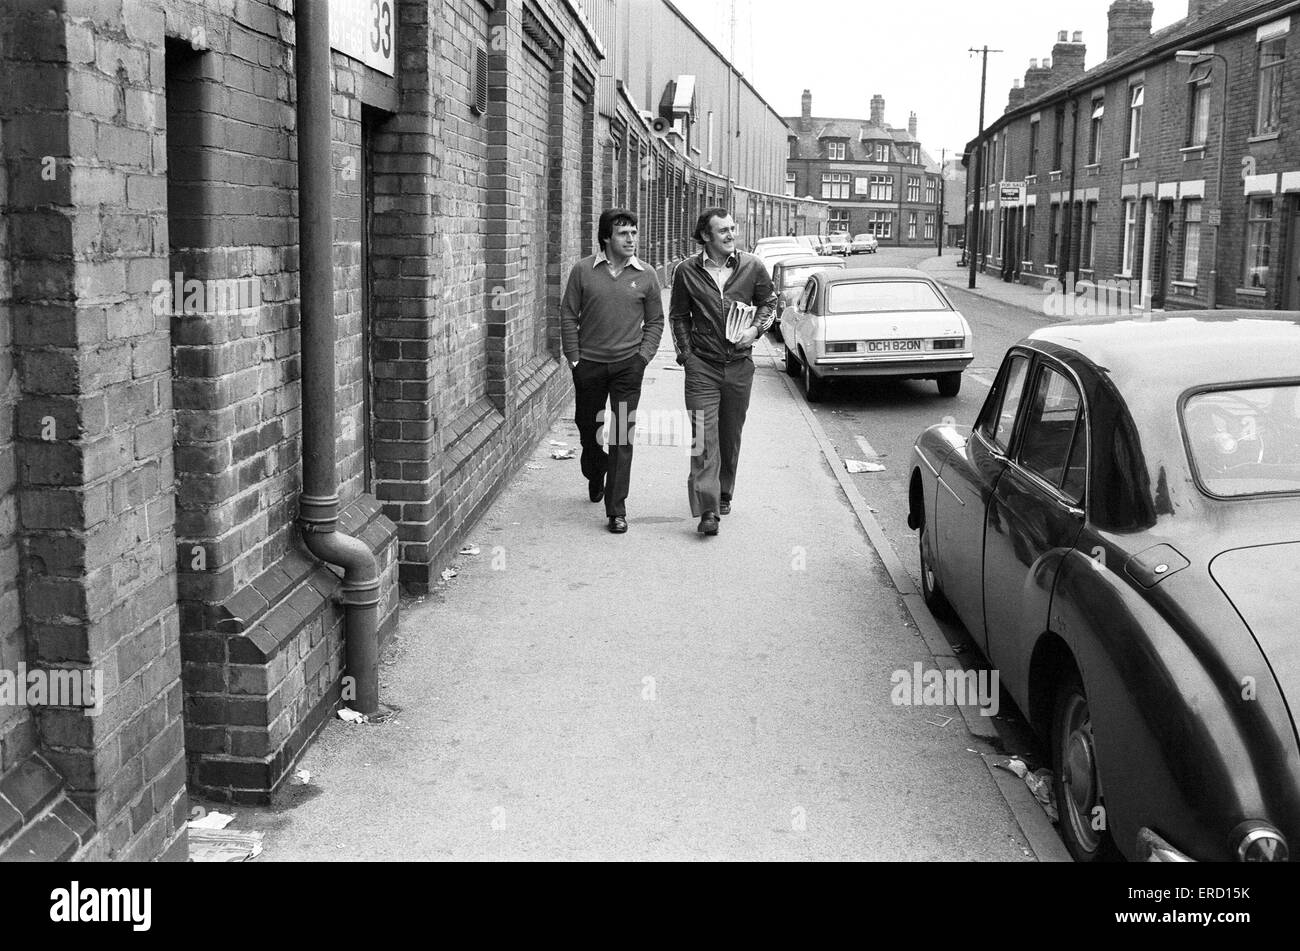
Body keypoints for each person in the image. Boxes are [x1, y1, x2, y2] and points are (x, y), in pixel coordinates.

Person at [669, 208, 778, 536]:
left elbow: (769, 303)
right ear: (706, 236)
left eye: (733, 228)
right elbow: (678, 316)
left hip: (739, 365)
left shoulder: (752, 267)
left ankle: (724, 488)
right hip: (702, 366)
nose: (732, 235)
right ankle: (708, 509)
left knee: (729, 434)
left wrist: (755, 331)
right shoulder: (686, 271)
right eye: (723, 231)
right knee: (704, 435)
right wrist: (687, 356)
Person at [560, 209, 664, 534]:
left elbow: (656, 322)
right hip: (588, 365)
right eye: (623, 233)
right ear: (607, 237)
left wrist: (642, 358)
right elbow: (567, 314)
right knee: (588, 428)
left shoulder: (646, 275)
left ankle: (616, 510)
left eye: (634, 232)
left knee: (621, 437)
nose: (631, 239)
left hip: (626, 369)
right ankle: (595, 467)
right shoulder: (582, 271)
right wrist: (574, 359)